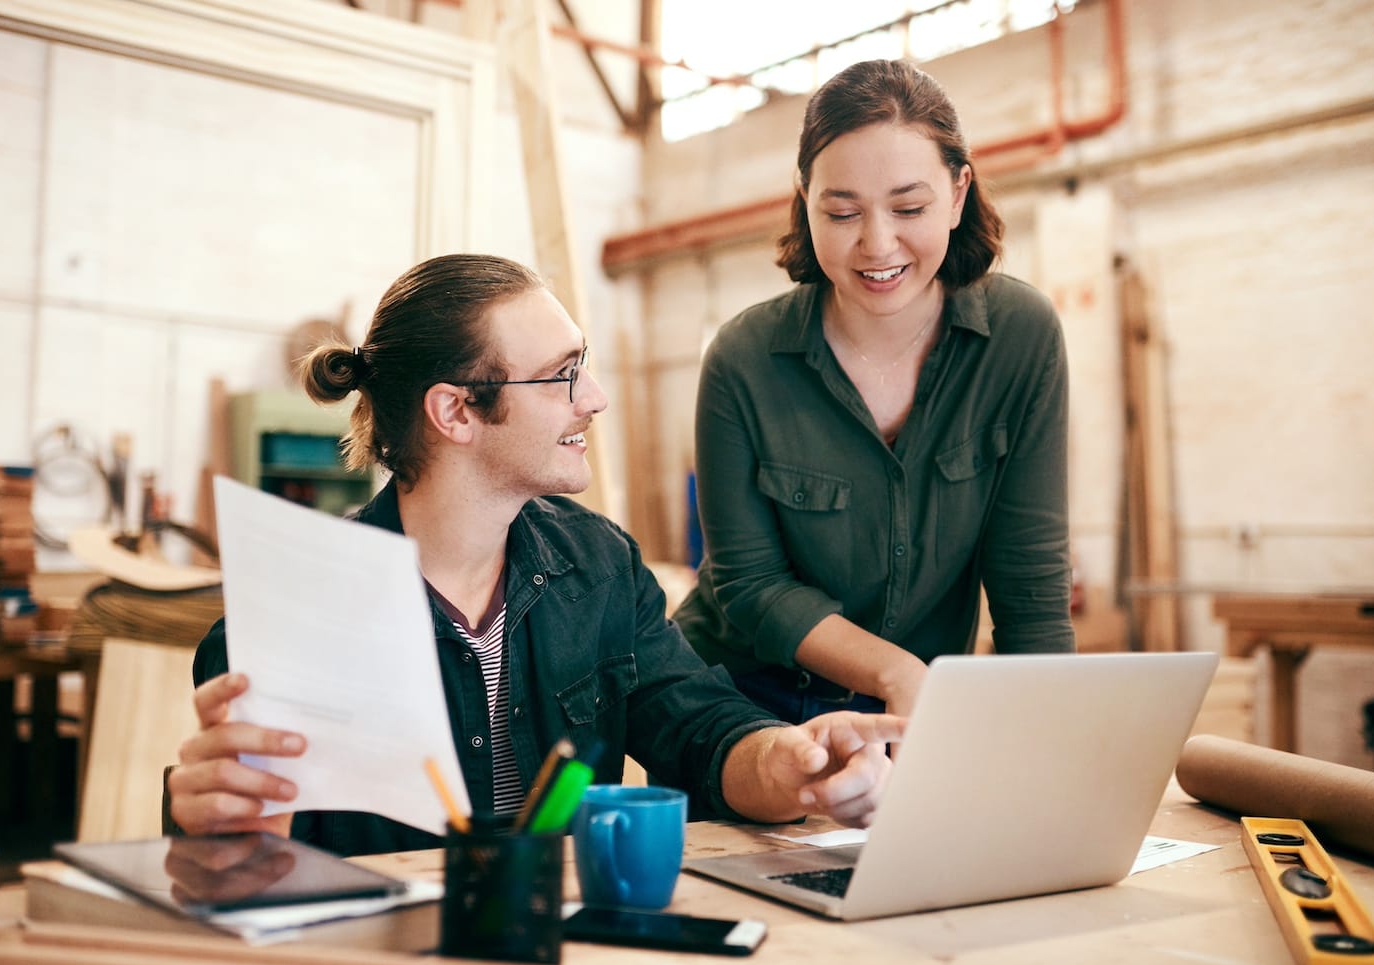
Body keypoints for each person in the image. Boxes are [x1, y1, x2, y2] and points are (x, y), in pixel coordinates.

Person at [170, 253, 903, 856]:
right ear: (456, 410)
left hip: (565, 948)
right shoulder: (299, 610)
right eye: (562, 374)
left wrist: (787, 762)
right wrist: (208, 822)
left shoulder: (600, 565)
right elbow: (239, 860)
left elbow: (697, 727)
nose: (596, 397)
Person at [673, 59, 1075, 727]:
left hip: (909, 711)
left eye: (909, 207)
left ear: (958, 192)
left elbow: (1029, 583)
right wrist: (895, 669)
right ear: (805, 200)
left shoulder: (1020, 339)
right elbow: (750, 586)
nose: (877, 243)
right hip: (741, 698)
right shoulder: (743, 361)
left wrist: (1050, 746)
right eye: (841, 211)